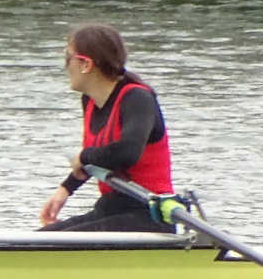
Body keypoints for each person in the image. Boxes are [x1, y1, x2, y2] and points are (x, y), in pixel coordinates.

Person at [38, 23, 176, 233]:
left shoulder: (137, 99)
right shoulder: (90, 101)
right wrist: (65, 189)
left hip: (148, 216)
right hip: (111, 209)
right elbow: (102, 157)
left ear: (86, 64)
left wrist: (84, 156)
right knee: (32, 241)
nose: (65, 65)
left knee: (46, 246)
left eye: (68, 57)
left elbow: (127, 152)